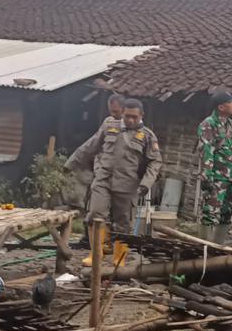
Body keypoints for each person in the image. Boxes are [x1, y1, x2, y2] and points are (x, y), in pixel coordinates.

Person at [67, 99, 162, 265]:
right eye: (127, 116)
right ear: (122, 113)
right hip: (103, 180)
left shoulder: (147, 136)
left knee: (123, 223)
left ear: (141, 115)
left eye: (134, 117)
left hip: (128, 184)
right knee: (95, 215)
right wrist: (71, 163)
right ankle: (96, 254)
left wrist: (146, 183)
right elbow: (91, 146)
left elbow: (155, 162)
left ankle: (120, 258)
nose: (130, 120)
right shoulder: (110, 127)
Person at [67, 93, 127, 257]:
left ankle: (117, 252)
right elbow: (92, 144)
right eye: (111, 111)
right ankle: (93, 246)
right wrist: (72, 162)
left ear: (123, 109)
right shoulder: (108, 123)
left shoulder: (132, 125)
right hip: (102, 173)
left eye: (116, 111)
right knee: (94, 210)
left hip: (123, 178)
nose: (113, 114)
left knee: (121, 216)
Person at [197, 91, 232, 243]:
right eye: (231, 102)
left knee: (227, 213)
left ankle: (218, 247)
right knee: (210, 213)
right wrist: (207, 176)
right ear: (221, 107)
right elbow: (207, 151)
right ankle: (203, 248)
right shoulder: (208, 124)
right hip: (216, 178)